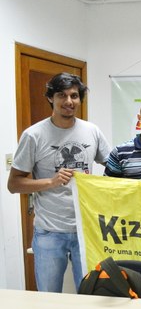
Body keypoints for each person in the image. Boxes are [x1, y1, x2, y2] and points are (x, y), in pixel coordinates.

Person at [7, 72, 111, 292]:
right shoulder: (33, 135)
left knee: (90, 294)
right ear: (50, 98)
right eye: (62, 95)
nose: (69, 101)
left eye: (74, 96)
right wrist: (51, 182)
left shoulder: (92, 131)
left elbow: (114, 167)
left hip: (87, 229)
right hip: (49, 231)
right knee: (48, 297)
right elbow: (14, 184)